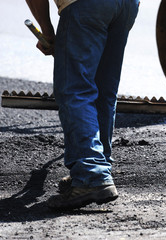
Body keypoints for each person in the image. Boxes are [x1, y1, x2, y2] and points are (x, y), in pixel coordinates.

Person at [25, 0, 139, 210]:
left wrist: (47, 31)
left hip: (85, 5)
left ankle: (91, 174)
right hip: (126, 5)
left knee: (75, 89)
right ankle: (98, 167)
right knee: (103, 91)